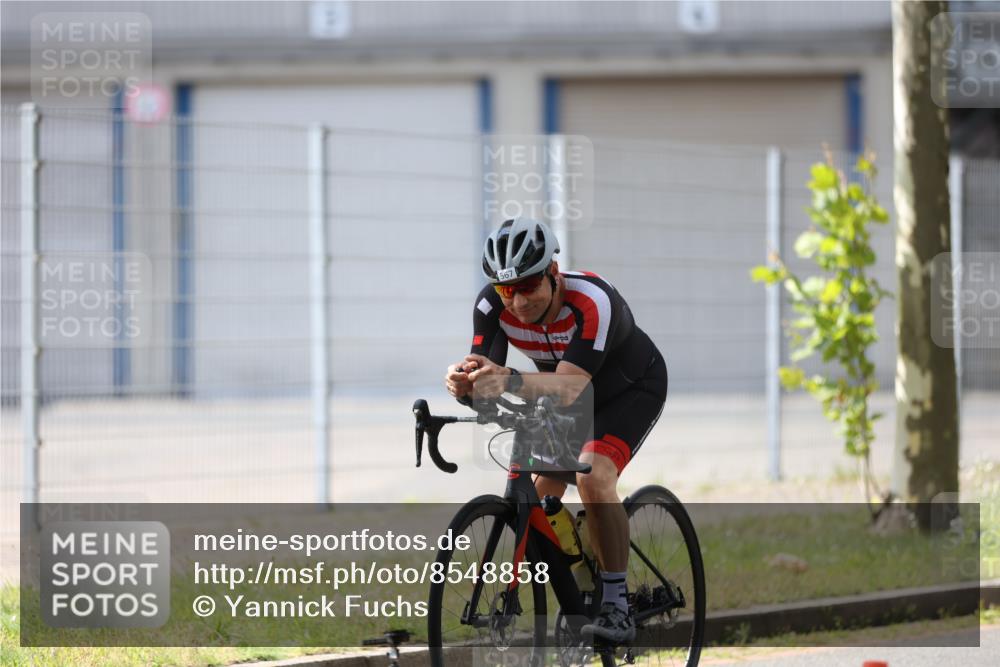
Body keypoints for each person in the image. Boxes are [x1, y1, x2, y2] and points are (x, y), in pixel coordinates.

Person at [444, 217, 668, 644]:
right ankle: (584, 575)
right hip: (566, 394)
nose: (518, 301)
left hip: (630, 389)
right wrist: (462, 383)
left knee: (593, 476)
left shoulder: (592, 301)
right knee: (541, 496)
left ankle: (617, 605)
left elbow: (569, 387)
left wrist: (507, 379)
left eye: (529, 285)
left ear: (553, 271)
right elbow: (485, 372)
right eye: (507, 290)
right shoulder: (491, 306)